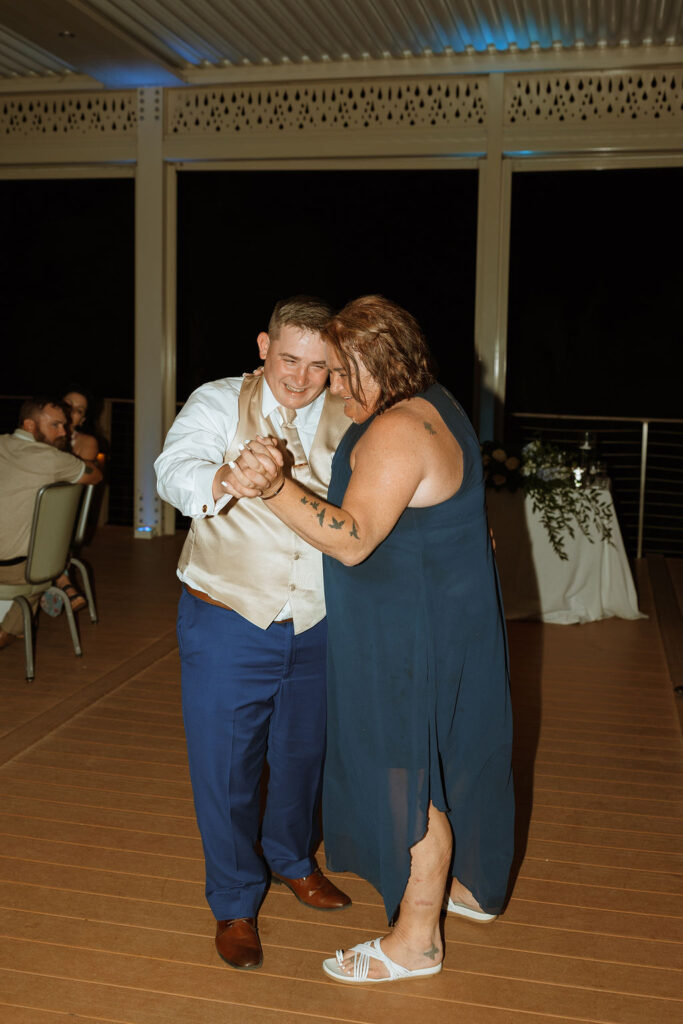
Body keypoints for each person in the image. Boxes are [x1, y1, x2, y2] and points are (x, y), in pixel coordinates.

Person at [229, 295, 515, 984]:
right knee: (451, 756)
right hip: (446, 617)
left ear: (368, 365)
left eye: (334, 373)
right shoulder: (437, 403)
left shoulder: (394, 431)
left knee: (402, 775)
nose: (326, 386)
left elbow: (351, 540)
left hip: (403, 634)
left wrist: (271, 488)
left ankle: (416, 941)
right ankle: (468, 892)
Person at [154, 296, 352, 973]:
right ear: (264, 345)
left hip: (320, 620)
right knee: (227, 768)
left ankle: (294, 860)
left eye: (318, 365)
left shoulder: (350, 409)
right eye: (289, 358)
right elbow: (173, 470)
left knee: (303, 758)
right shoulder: (216, 400)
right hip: (228, 614)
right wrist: (226, 477)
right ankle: (235, 900)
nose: (300, 378)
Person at [0, 397, 103, 649]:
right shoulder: (53, 459)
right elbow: (96, 475)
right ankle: (12, 629)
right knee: (37, 572)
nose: (63, 432)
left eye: (64, 425)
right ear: (30, 425)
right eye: (55, 425)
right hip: (17, 570)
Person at [62, 389, 99, 461]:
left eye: (79, 411)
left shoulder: (87, 442)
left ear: (81, 420)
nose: (72, 411)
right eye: (67, 405)